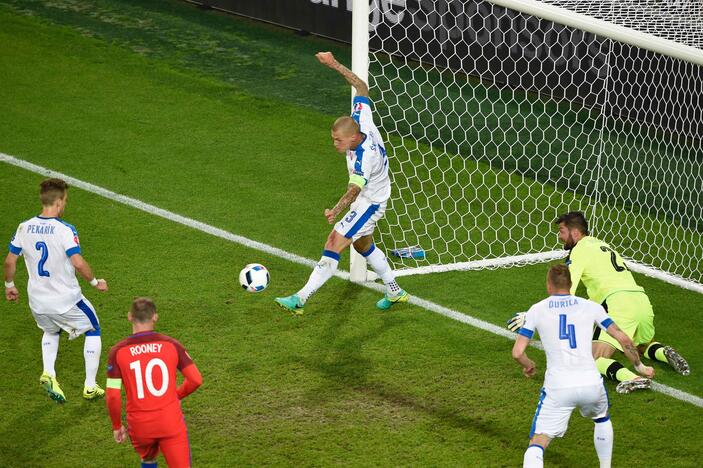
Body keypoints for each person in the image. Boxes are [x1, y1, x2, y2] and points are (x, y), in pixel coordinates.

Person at [275, 51, 408, 314]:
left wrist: (335, 210)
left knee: (333, 241)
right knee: (363, 245)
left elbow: (354, 189)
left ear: (352, 139)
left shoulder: (363, 158)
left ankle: (300, 299)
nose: (334, 144)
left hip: (369, 201)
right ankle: (396, 292)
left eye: (338, 141)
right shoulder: (362, 120)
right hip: (373, 194)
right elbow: (361, 86)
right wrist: (333, 64)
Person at [513, 264, 654, 468]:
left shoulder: (537, 309)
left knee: (537, 443)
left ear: (548, 285)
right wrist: (640, 367)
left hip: (558, 387)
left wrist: (529, 365)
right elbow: (623, 338)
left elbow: (517, 353)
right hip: (591, 383)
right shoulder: (591, 307)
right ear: (570, 285)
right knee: (602, 418)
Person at [555, 211, 689, 393]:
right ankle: (663, 353)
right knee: (638, 344)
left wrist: (541, 313)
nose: (559, 236)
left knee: (594, 358)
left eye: (562, 231)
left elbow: (566, 290)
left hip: (617, 303)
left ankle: (632, 378)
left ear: (575, 233)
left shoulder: (579, 250)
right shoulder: (603, 245)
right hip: (641, 300)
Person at [4, 178, 108, 402]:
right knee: (93, 328)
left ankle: (49, 372)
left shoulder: (23, 227)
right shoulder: (64, 230)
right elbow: (78, 263)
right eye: (66, 201)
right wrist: (95, 282)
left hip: (38, 302)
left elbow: (10, 262)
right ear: (59, 202)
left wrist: (9, 286)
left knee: (51, 331)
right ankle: (90, 385)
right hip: (65, 300)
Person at [106, 297, 202, 468]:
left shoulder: (117, 351)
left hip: (140, 425)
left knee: (148, 459)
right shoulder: (171, 345)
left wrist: (116, 425)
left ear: (130, 316)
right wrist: (176, 395)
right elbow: (195, 380)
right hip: (169, 421)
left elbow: (113, 396)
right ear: (155, 317)